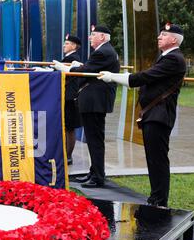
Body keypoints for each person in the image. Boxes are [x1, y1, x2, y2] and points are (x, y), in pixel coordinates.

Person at [98, 23, 186, 207]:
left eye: (163, 35)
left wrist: (113, 76)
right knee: (153, 160)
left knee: (158, 160)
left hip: (159, 116)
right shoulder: (166, 57)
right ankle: (156, 198)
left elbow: (143, 78)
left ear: (173, 39)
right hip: (153, 115)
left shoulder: (174, 59)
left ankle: (159, 201)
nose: (159, 37)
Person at [53, 25, 120, 188]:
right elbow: (90, 69)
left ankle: (97, 176)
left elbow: (87, 70)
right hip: (93, 101)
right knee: (92, 140)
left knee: (95, 140)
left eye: (93, 34)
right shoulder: (104, 51)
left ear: (103, 37)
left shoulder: (103, 52)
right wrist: (76, 66)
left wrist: (67, 68)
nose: (90, 37)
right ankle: (94, 172)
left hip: (95, 102)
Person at [61, 35, 82, 165]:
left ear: (74, 46)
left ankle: (68, 156)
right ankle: (67, 155)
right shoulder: (71, 58)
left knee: (69, 127)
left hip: (69, 97)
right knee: (68, 127)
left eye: (67, 43)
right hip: (69, 96)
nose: (64, 45)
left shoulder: (71, 58)